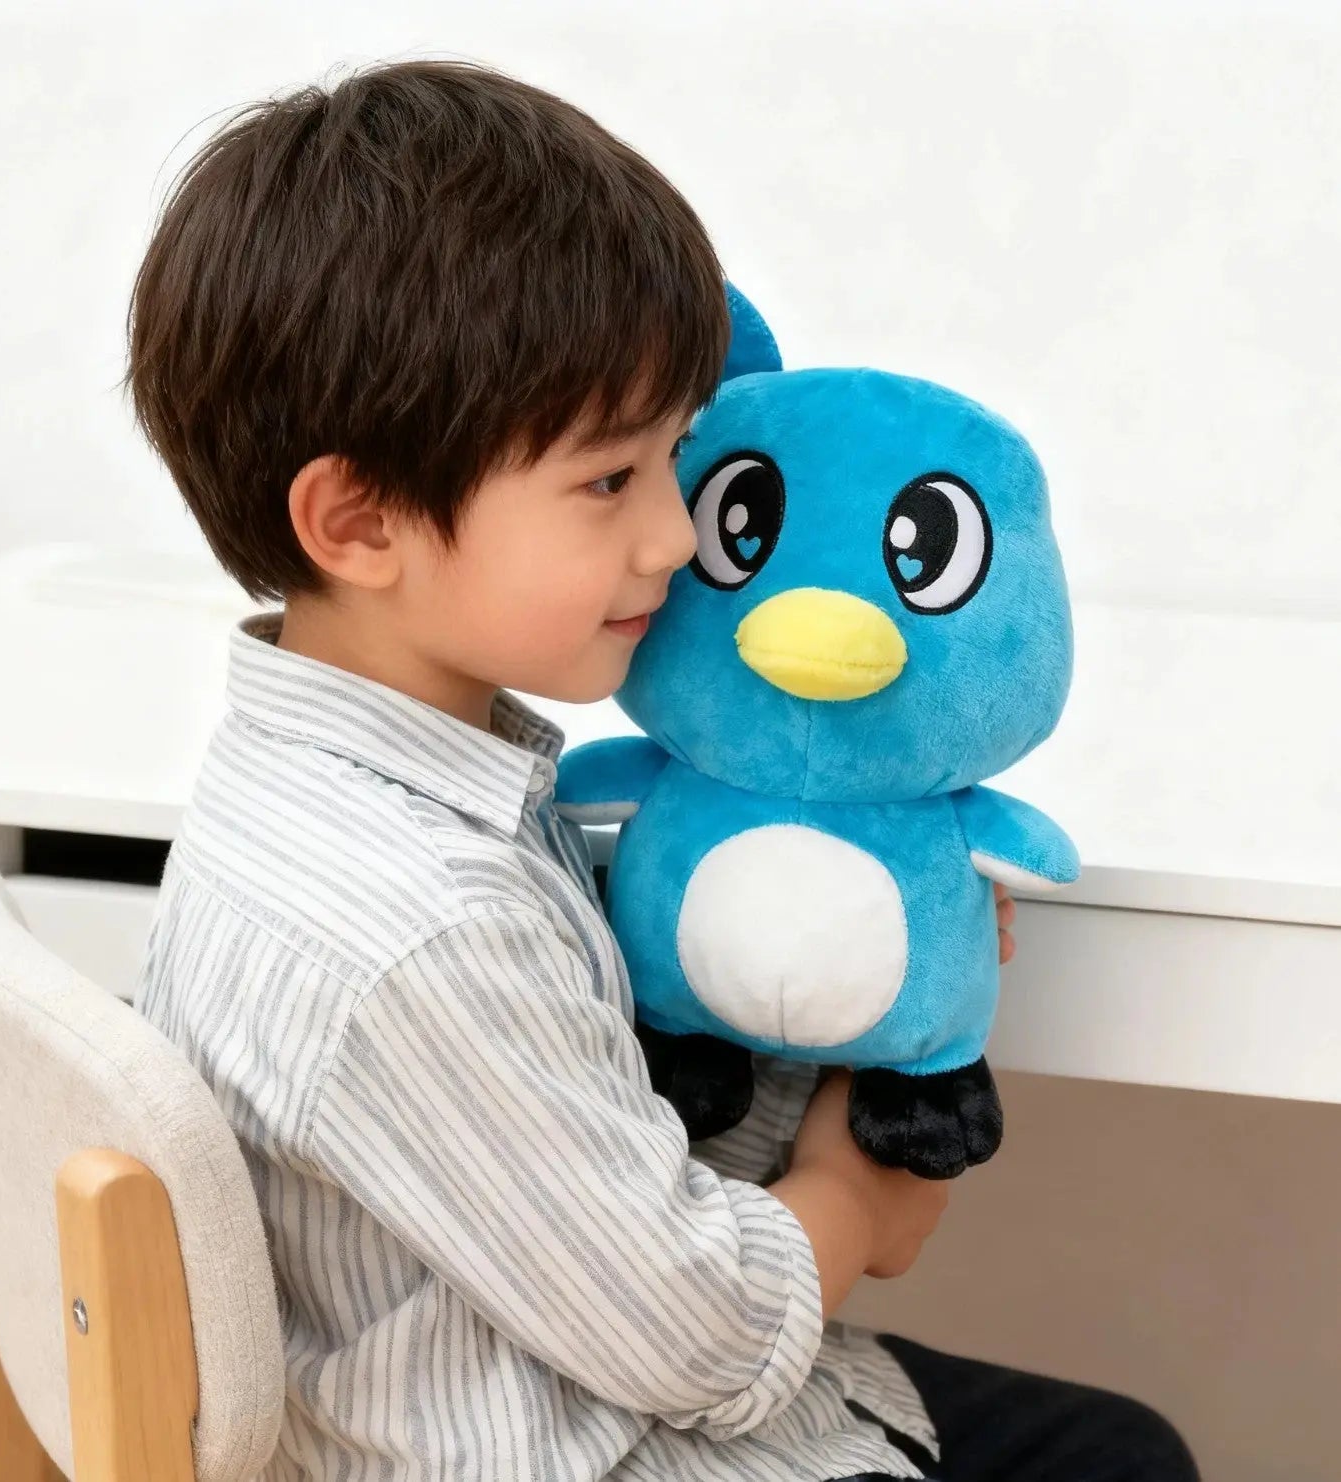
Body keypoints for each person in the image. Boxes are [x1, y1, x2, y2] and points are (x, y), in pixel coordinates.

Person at [128, 56, 1200, 1481]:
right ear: (361, 518)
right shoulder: (421, 932)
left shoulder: (352, 783)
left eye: (677, 460)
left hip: (545, 1384)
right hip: (598, 1438)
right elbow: (702, 1335)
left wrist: (816, 1011)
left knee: (1118, 1443)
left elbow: (583, 1138)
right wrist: (855, 1189)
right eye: (606, 482)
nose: (678, 538)